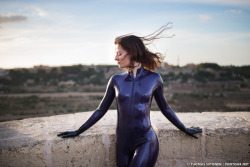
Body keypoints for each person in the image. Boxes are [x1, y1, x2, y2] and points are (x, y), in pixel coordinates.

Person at [57, 24, 203, 167]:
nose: (115, 58)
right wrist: (78, 131)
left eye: (119, 53)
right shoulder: (116, 80)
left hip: (145, 140)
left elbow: (165, 108)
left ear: (132, 53)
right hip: (122, 144)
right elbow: (101, 110)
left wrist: (184, 128)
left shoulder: (154, 79)